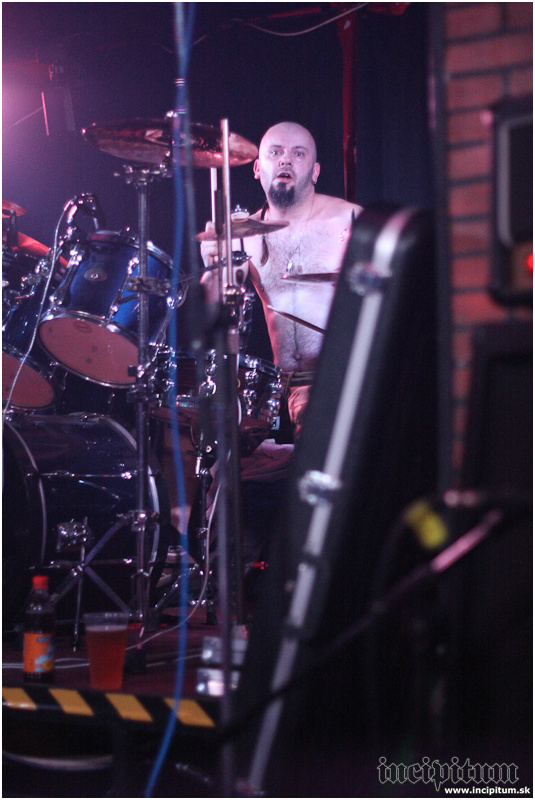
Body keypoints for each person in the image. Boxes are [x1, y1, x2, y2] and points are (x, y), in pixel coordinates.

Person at [200, 121, 363, 434]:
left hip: (335, 379)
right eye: (275, 153)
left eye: (298, 154)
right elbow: (218, 307)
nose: (286, 160)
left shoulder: (350, 219)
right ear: (257, 168)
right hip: (276, 387)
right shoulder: (243, 233)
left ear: (315, 172)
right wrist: (212, 266)